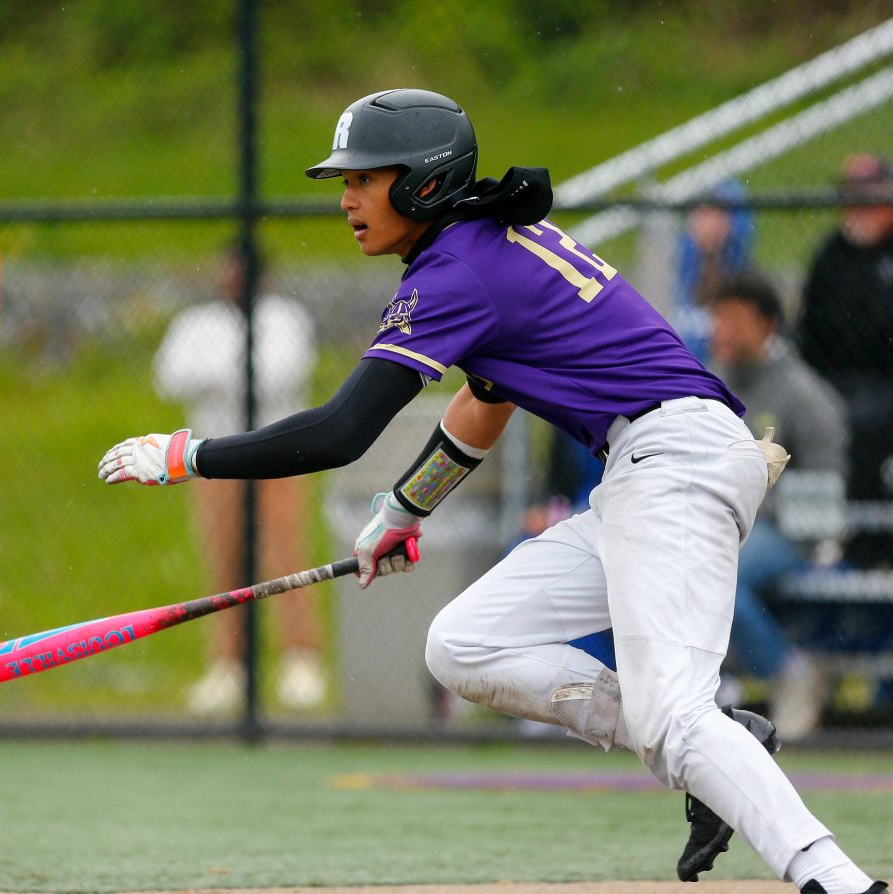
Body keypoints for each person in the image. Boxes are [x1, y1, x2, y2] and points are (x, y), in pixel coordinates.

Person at [98, 90, 885, 893]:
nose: (346, 200)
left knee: (674, 719)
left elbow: (340, 432)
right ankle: (722, 746)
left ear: (424, 184)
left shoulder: (457, 268)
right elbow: (486, 402)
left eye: (365, 180)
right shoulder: (480, 243)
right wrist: (404, 511)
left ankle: (836, 879)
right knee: (463, 645)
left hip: (676, 465)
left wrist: (189, 454)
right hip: (647, 470)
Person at [152, 245, 325, 713]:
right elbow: (170, 375)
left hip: (278, 455)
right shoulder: (198, 322)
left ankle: (300, 660)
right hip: (216, 458)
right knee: (222, 558)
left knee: (284, 554)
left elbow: (278, 374)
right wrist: (227, 373)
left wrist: (215, 373)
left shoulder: (283, 317)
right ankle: (228, 665)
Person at [708, 272, 849, 740]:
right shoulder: (708, 384)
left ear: (767, 325)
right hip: (720, 523)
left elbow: (824, 488)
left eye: (734, 319)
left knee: (719, 573)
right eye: (717, 318)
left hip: (787, 533)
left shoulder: (806, 395)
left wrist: (751, 513)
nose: (721, 330)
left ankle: (787, 670)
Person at [798, 153, 893, 569]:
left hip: (882, 380)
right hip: (831, 377)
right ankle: (811, 540)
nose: (858, 209)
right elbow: (811, 328)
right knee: (800, 415)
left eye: (869, 198)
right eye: (851, 197)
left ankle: (866, 547)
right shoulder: (833, 253)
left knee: (863, 423)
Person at [673, 180, 755, 363]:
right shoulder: (682, 271)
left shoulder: (745, 281)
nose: (704, 225)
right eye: (699, 215)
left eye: (712, 215)